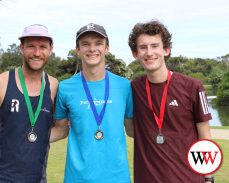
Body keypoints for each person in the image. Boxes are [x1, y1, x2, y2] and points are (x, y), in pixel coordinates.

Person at [0, 24, 58, 183]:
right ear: (21, 48)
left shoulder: (54, 86)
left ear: (50, 49)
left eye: (43, 47)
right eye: (31, 47)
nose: (37, 53)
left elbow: (55, 128)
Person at [127, 20, 213, 183]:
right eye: (143, 47)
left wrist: (209, 179)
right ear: (135, 54)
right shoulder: (133, 88)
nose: (149, 52)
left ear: (166, 50)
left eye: (154, 46)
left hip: (189, 179)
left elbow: (205, 137)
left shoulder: (193, 86)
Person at [50, 23, 133, 183]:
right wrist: (24, 138)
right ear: (78, 50)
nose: (92, 49)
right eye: (85, 44)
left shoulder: (124, 86)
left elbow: (131, 130)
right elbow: (60, 130)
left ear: (107, 48)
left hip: (117, 178)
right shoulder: (65, 88)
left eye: (98, 43)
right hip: (77, 178)